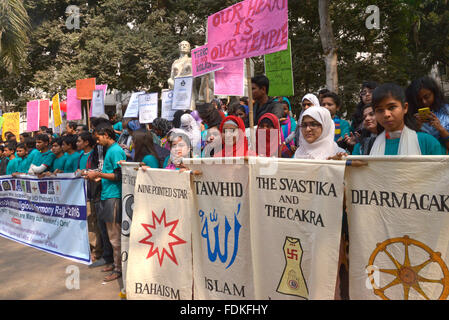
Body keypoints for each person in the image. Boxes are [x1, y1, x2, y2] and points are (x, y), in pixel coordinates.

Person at [85, 126, 126, 282]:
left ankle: (118, 268)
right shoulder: (110, 150)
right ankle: (114, 263)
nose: (97, 141)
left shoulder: (115, 151)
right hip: (107, 195)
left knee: (115, 237)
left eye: (98, 137)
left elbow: (118, 175)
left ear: (106, 134)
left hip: (113, 197)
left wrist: (98, 174)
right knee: (110, 236)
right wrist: (99, 177)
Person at [360, 83, 445, 156]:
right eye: (380, 110)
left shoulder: (427, 142)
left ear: (405, 108)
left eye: (392, 107)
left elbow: (439, 174)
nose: (386, 114)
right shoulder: (367, 147)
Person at [406, 76, 449, 152]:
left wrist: (441, 129)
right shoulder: (411, 117)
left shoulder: (446, 111)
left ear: (434, 93)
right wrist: (416, 128)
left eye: (427, 97)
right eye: (419, 100)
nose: (424, 102)